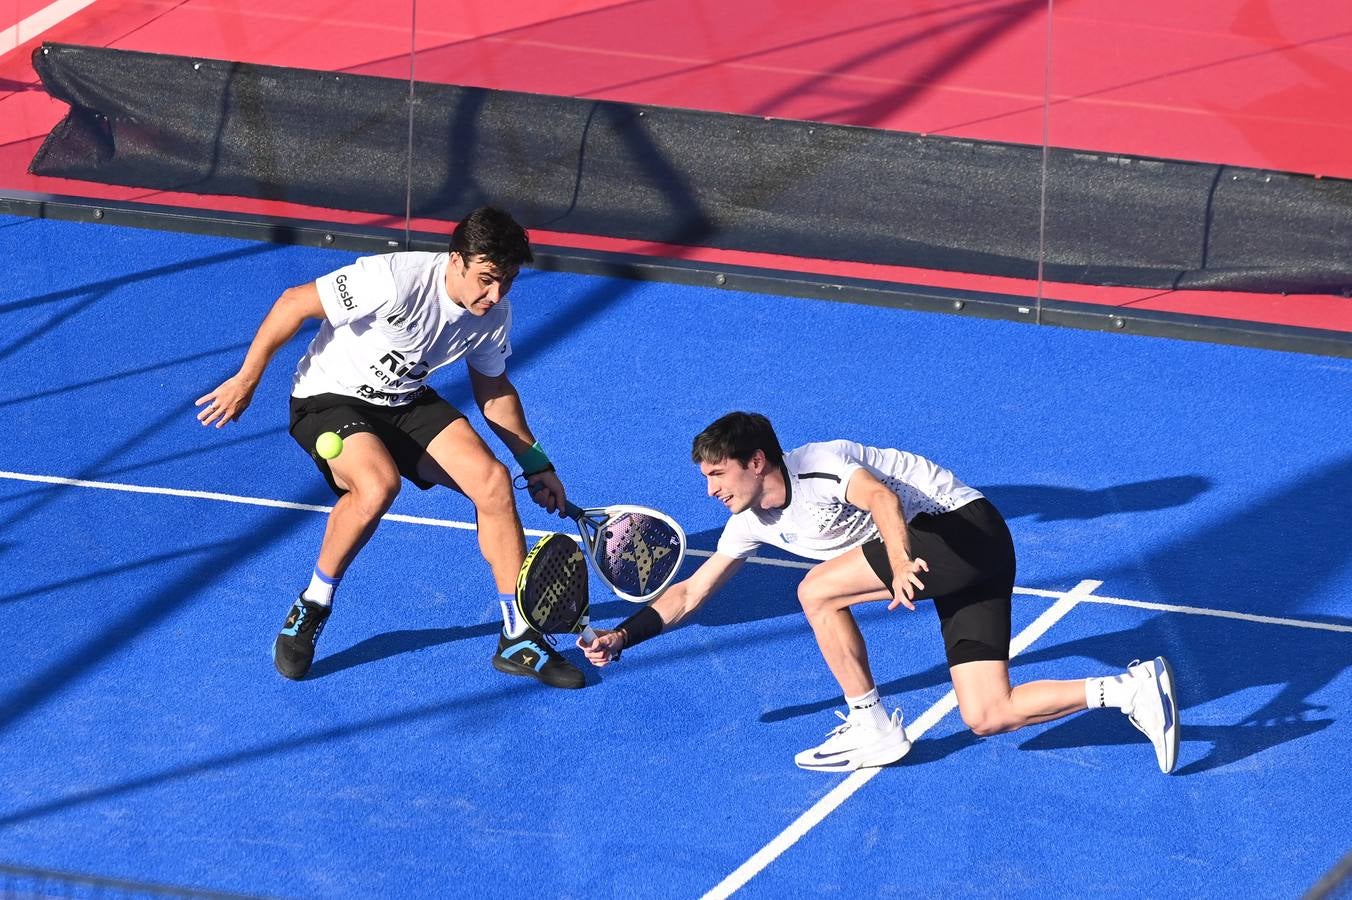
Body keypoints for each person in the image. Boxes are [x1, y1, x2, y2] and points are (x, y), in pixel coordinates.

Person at [582, 412, 1180, 772]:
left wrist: (898, 560)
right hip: (956, 563)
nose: (710, 490)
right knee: (987, 713)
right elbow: (689, 594)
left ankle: (871, 724)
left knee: (816, 590)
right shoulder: (747, 524)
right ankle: (1129, 690)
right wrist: (622, 635)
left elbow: (881, 499)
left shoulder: (819, 465)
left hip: (962, 528)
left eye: (717, 474)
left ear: (756, 461)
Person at [195, 206, 585, 689]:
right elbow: (293, 302)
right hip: (328, 398)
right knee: (378, 485)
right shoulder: (391, 279)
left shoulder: (494, 313)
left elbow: (494, 391)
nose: (495, 294)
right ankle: (313, 603)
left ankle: (518, 635)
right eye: (486, 279)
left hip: (404, 399)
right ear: (457, 259)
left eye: (506, 282)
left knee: (493, 482)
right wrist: (246, 379)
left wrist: (534, 461)